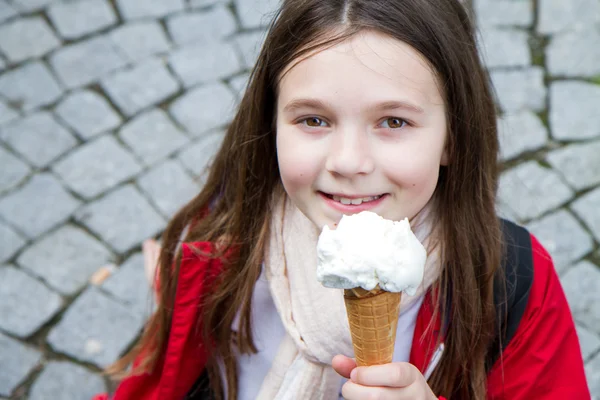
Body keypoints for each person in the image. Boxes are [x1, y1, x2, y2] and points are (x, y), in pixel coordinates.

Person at [93, 0, 591, 399]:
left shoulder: (512, 283)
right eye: (314, 119)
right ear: (271, 126)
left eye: (394, 121)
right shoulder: (222, 240)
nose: (349, 162)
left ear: (452, 137)